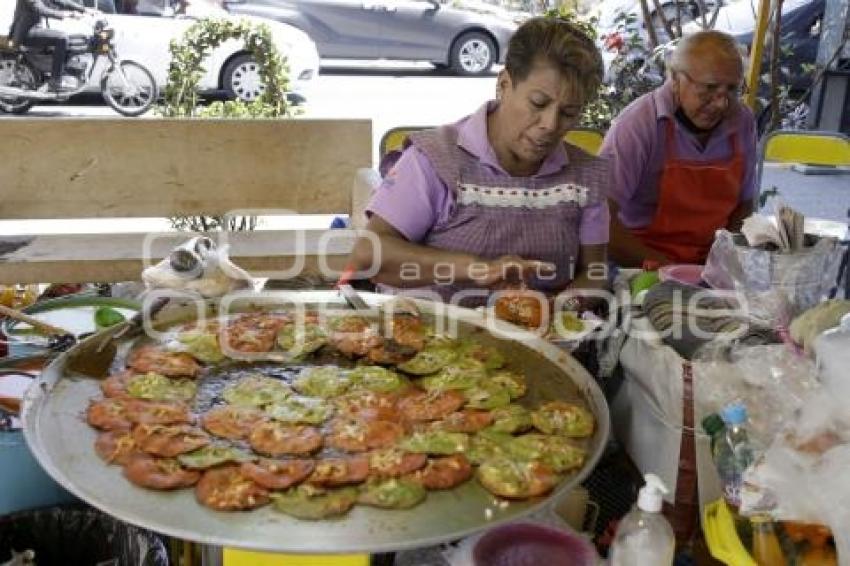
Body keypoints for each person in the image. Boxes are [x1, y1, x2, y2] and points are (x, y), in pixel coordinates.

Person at [350, 17, 610, 307]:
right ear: (504, 84)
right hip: (431, 337)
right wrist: (477, 268)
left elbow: (594, 270)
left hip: (544, 342)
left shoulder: (586, 175)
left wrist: (562, 310)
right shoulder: (436, 161)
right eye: (538, 103)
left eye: (569, 113)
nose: (550, 124)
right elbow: (367, 256)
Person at [600, 30, 757, 268]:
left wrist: (721, 261)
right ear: (675, 79)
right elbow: (598, 217)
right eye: (709, 88)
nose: (721, 103)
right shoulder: (638, 125)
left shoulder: (742, 121)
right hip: (639, 263)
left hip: (709, 263)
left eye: (732, 90)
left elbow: (744, 206)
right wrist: (670, 271)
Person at [9, 0, 87, 92]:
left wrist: (84, 10)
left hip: (34, 29)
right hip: (26, 33)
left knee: (72, 39)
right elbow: (41, 9)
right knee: (62, 38)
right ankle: (55, 81)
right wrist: (69, 14)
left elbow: (59, 1)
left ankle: (65, 71)